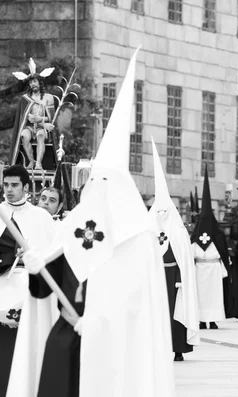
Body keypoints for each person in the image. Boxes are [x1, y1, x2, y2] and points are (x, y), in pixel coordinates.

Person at [13, 50, 176, 397]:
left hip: (116, 355)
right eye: (93, 182)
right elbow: (47, 287)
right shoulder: (77, 227)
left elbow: (140, 312)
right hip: (67, 343)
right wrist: (35, 266)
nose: (96, 190)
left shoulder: (138, 239)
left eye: (105, 182)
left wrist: (101, 323)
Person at [0, 165, 56, 396]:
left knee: (26, 355)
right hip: (2, 289)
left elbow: (54, 256)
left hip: (30, 291)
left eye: (14, 185)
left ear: (26, 187)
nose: (9, 190)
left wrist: (32, 255)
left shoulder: (41, 217)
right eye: (6, 185)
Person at [149, 140, 200, 361]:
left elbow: (183, 259)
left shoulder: (178, 232)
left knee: (174, 313)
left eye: (164, 210)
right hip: (155, 279)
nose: (161, 213)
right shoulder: (148, 228)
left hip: (173, 282)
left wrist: (179, 279)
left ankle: (178, 348)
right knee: (155, 315)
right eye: (157, 210)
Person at [191, 169, 229, 329]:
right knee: (200, 295)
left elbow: (223, 253)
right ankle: (200, 319)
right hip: (199, 268)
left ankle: (212, 320)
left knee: (213, 296)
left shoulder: (218, 236)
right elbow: (190, 254)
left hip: (213, 269)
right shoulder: (195, 237)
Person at [10, 58, 57, 170]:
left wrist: (40, 119)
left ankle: (39, 163)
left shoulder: (48, 98)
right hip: (30, 127)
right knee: (24, 136)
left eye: (35, 81)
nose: (33, 84)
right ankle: (31, 161)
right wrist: (31, 118)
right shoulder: (25, 99)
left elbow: (51, 118)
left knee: (41, 136)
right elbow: (24, 117)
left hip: (42, 127)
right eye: (31, 82)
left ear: (40, 83)